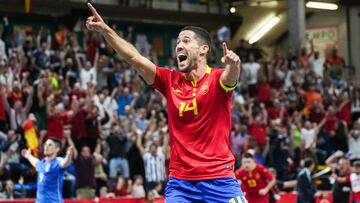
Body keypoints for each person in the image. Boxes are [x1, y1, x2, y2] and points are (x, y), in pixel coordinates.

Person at [86, 3, 245, 202]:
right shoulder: (170, 81)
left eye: (186, 41)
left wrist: (234, 65)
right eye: (178, 42)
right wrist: (105, 29)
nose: (179, 45)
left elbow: (230, 78)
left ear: (203, 49)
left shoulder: (217, 79)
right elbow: (134, 58)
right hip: (181, 184)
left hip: (220, 181)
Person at [22, 137, 74, 203]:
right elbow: (35, 162)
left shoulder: (58, 161)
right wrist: (28, 156)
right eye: (45, 144)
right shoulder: (41, 163)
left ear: (57, 149)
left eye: (50, 145)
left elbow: (65, 163)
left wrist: (69, 156)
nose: (46, 146)